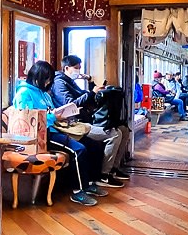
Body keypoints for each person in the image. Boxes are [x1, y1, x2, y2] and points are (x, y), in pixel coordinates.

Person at [13, 60, 106, 206]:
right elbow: (30, 120)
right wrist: (53, 116)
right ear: (37, 76)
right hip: (41, 135)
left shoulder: (44, 94)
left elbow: (52, 111)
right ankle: (78, 191)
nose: (48, 82)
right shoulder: (24, 93)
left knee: (93, 145)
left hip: (56, 128)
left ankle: (89, 183)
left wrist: (65, 114)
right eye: (47, 78)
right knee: (78, 150)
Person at [52, 55, 131, 187]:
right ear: (66, 68)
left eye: (79, 68)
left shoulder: (69, 81)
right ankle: (103, 175)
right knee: (115, 134)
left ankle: (113, 169)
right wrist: (91, 93)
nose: (78, 71)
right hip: (72, 123)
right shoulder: (60, 83)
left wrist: (92, 85)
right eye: (76, 68)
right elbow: (70, 105)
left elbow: (82, 96)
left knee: (124, 130)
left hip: (84, 119)